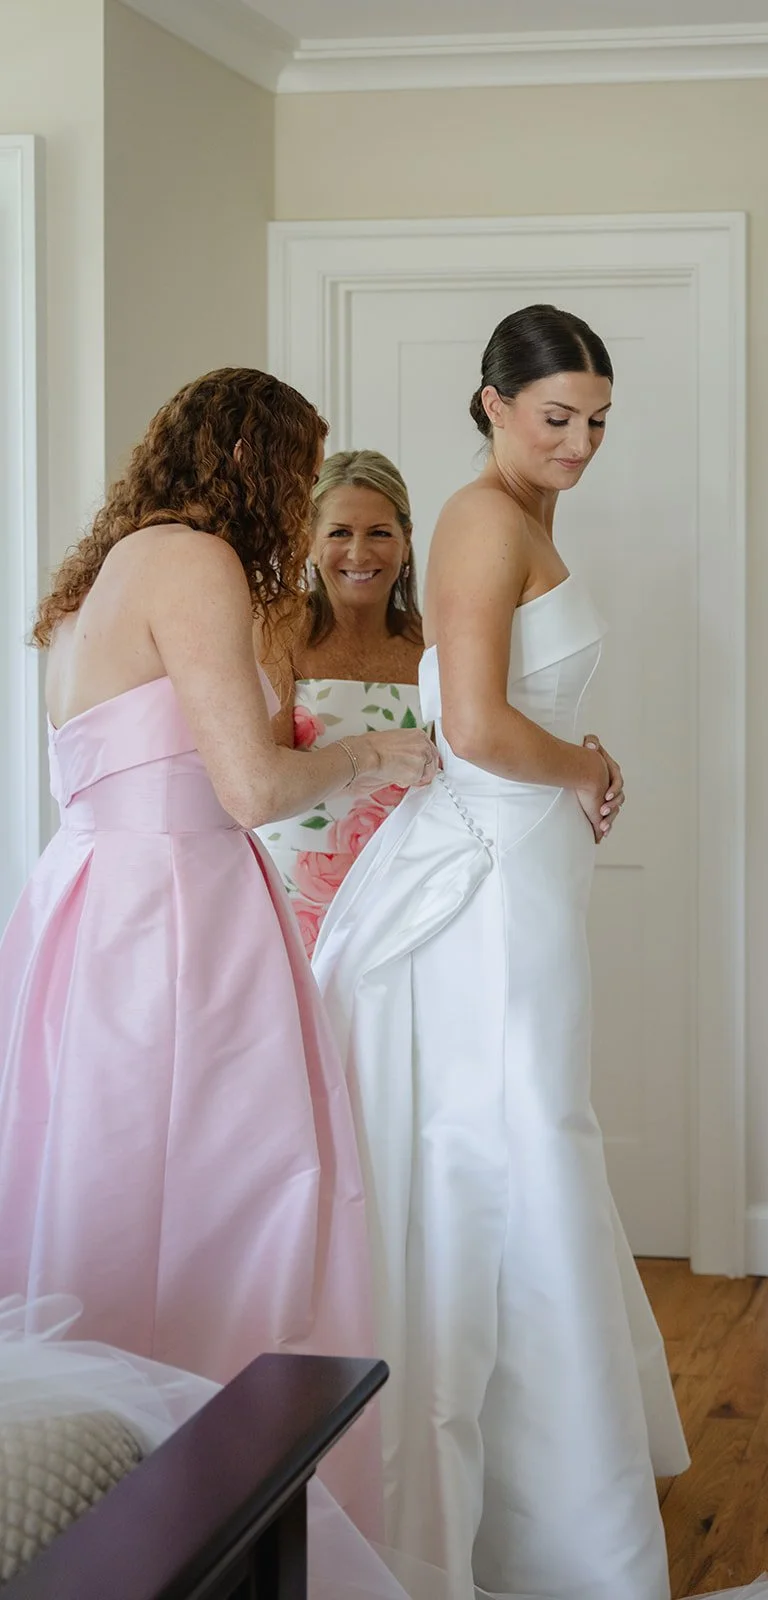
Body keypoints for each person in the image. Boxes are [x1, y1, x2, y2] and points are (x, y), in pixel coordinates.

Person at [313, 307, 768, 1600]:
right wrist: (588, 766)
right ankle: (515, 1526)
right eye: (558, 417)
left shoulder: (525, 513)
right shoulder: (482, 520)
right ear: (489, 401)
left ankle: (538, 1493)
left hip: (526, 865)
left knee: (538, 1127)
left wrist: (577, 776)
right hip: (487, 873)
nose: (582, 443)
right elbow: (480, 726)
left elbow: (505, 717)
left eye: (598, 419)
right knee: (514, 1138)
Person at [0, 368, 437, 1531]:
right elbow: (249, 787)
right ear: (252, 461)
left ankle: (138, 1512)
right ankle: (225, 1501)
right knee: (234, 1204)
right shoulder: (192, 561)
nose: (301, 507)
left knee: (118, 1190)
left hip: (100, 905)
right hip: (173, 923)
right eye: (299, 475)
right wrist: (367, 758)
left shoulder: (111, 568)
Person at [258, 450, 428, 958]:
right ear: (309, 543)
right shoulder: (279, 628)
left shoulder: (431, 644)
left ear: (405, 541)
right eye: (338, 533)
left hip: (410, 886)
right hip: (295, 888)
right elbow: (265, 772)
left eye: (379, 532)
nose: (359, 553)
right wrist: (364, 753)